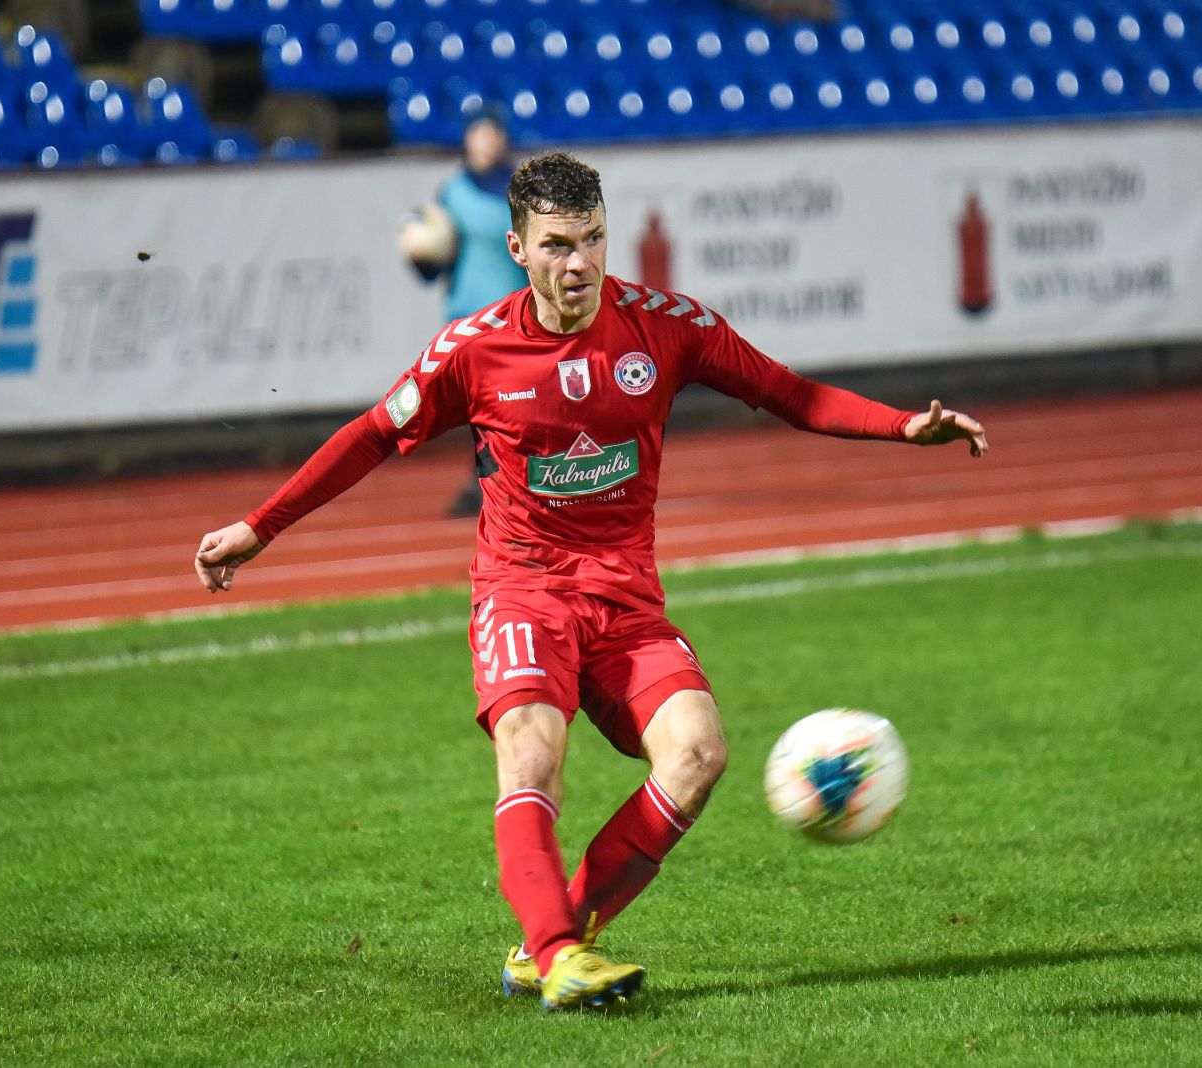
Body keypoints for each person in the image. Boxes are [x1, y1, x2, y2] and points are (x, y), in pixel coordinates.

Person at [194, 151, 988, 1012]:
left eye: (594, 239)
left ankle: (554, 937)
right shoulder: (473, 351)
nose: (580, 263)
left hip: (627, 603)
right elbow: (371, 436)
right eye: (557, 245)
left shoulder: (667, 326)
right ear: (518, 249)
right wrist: (260, 526)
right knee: (533, 755)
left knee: (698, 753)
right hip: (523, 590)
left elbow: (787, 393)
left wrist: (902, 426)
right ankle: (561, 955)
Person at [402, 110, 529, 517]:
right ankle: (488, 484)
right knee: (480, 408)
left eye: (493, 133)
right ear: (467, 140)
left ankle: (512, 482)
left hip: (514, 315)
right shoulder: (452, 194)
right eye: (479, 133)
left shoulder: (522, 191)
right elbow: (436, 265)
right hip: (466, 318)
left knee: (517, 405)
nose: (486, 141)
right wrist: (420, 252)